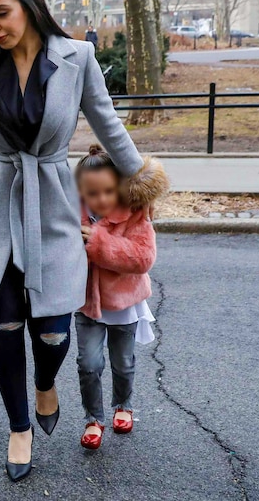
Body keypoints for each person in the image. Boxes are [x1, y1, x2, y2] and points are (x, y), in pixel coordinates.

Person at [0, 0, 167, 482]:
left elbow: (109, 125)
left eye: (1, 14)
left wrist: (139, 182)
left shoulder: (77, 58)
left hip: (52, 201)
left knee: (53, 329)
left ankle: (46, 384)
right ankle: (18, 426)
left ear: (28, 5)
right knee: (4, 320)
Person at [74, 144, 166, 450]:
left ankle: (123, 405)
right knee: (88, 363)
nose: (100, 200)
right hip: (86, 303)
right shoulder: (72, 214)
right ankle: (93, 419)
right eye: (92, 193)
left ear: (120, 187)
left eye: (108, 192)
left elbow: (143, 258)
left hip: (124, 303)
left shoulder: (135, 214)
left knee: (122, 363)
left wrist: (99, 242)